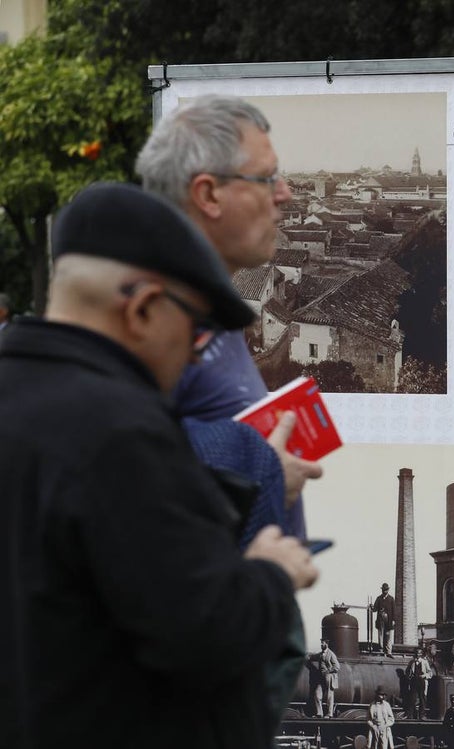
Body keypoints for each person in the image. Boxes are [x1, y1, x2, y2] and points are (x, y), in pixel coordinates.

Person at [0, 182, 317, 749]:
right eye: (197, 331)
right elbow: (205, 636)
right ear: (144, 307)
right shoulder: (124, 430)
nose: (197, 354)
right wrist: (271, 572)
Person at [137, 95, 322, 727]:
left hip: (236, 639)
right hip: (199, 664)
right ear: (209, 194)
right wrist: (255, 464)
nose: (289, 194)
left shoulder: (208, 313)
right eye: (268, 179)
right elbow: (104, 462)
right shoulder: (150, 317)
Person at [310, 639, 341, 719]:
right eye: (321, 643)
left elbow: (337, 666)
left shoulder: (331, 654)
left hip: (329, 677)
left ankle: (330, 714)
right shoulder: (320, 654)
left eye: (322, 643)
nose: (321, 645)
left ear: (326, 644)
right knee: (317, 694)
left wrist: (328, 671)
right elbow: (313, 656)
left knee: (329, 696)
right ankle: (319, 713)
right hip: (321, 678)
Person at [406, 648, 433, 719]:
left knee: (422, 698)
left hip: (422, 681)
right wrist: (409, 677)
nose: (418, 654)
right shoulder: (411, 662)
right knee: (412, 698)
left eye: (419, 653)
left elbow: (430, 673)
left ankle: (422, 715)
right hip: (414, 681)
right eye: (416, 653)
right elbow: (407, 671)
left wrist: (424, 676)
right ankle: (411, 715)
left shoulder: (425, 662)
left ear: (421, 654)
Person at [372, 582, 396, 655]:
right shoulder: (379, 599)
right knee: (381, 635)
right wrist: (372, 607)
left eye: (385, 590)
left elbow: (394, 610)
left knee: (388, 636)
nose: (384, 591)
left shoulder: (391, 599)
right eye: (383, 590)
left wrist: (393, 620)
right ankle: (381, 649)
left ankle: (388, 651)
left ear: (387, 590)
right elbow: (375, 609)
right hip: (380, 621)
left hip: (389, 621)